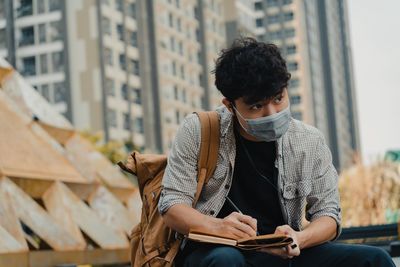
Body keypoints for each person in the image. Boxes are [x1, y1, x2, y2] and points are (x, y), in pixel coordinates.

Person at [158, 37, 395, 267]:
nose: (271, 113)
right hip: (214, 251)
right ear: (229, 105)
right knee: (226, 260)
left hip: (284, 253)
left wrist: (298, 238)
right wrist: (217, 226)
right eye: (256, 106)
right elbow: (172, 205)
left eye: (279, 98)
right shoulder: (198, 130)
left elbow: (329, 215)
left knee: (375, 259)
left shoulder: (309, 140)